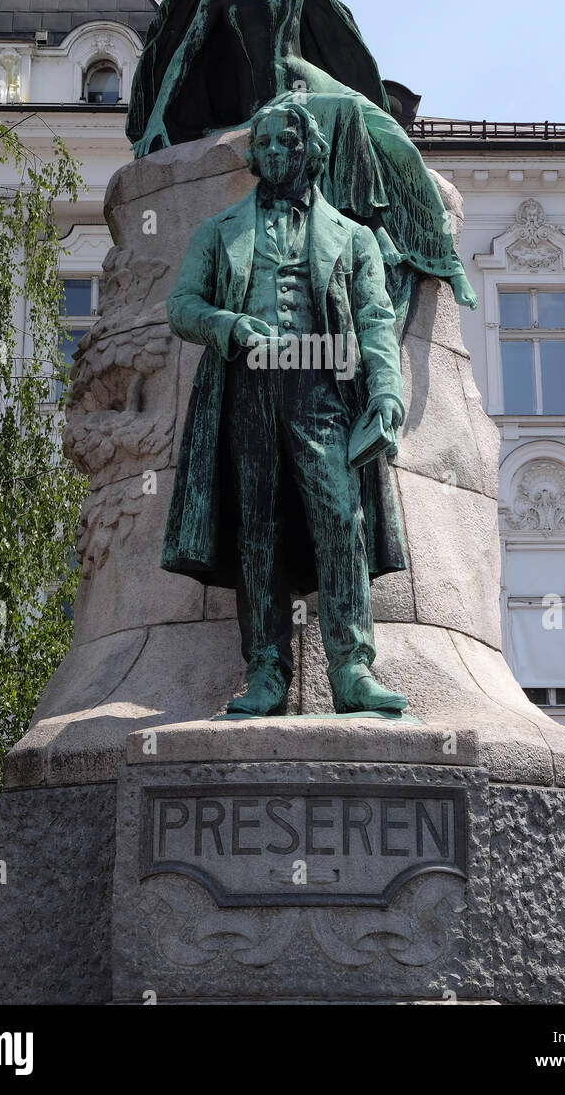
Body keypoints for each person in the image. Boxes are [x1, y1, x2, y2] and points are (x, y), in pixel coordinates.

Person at [127, 0, 477, 324]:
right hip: (272, 103)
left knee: (395, 138)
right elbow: (184, 57)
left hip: (303, 80)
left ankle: (442, 254)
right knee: (347, 118)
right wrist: (157, 119)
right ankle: (376, 229)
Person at [162, 101, 410, 716]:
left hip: (322, 384)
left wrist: (386, 392)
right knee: (257, 528)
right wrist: (227, 324)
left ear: (310, 150)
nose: (273, 154)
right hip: (248, 386)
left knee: (340, 518)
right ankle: (267, 668)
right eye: (264, 143)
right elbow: (181, 307)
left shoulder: (352, 238)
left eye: (285, 143)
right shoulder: (220, 230)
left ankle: (352, 668)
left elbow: (377, 319)